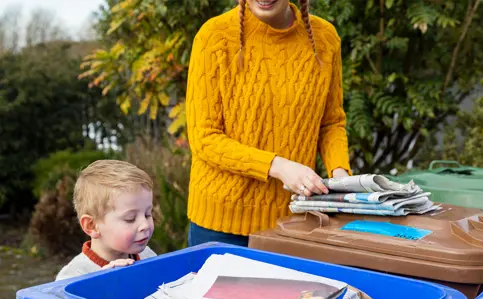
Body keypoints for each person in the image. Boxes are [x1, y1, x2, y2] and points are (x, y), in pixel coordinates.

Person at [186, 0, 351, 247]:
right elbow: (204, 138)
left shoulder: (325, 39)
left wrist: (340, 175)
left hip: (293, 222)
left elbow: (331, 123)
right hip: (220, 226)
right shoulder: (214, 37)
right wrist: (277, 166)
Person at [56, 160, 157, 281]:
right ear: (92, 226)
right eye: (130, 219)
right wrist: (103, 285)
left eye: (147, 214)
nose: (145, 225)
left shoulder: (147, 255)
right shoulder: (72, 277)